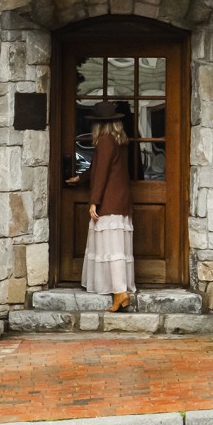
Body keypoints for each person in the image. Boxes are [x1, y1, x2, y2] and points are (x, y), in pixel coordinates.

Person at [80, 98, 136, 311]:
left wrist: (94, 201)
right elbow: (99, 167)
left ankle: (120, 292)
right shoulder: (118, 140)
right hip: (120, 199)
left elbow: (102, 173)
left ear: (98, 124)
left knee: (111, 249)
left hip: (109, 202)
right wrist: (81, 178)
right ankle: (121, 292)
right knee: (118, 248)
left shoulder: (104, 141)